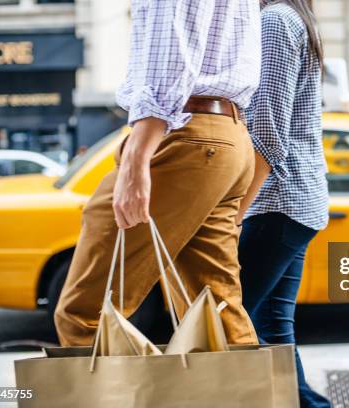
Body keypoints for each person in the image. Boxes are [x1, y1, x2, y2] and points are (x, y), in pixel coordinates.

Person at [54, 1, 261, 347]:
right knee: (214, 313)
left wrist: (136, 159)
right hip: (225, 132)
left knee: (85, 315)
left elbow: (170, 52)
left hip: (184, 132)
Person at [236, 1, 331, 407]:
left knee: (224, 320)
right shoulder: (293, 19)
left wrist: (234, 210)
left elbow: (268, 133)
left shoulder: (275, 21)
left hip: (278, 200)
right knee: (273, 332)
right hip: (291, 202)